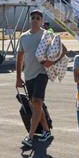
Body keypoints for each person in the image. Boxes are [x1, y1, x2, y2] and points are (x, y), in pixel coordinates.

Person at [16, 10, 54, 148]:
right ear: (30, 20)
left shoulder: (47, 35)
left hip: (42, 74)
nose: (35, 20)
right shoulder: (24, 37)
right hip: (29, 75)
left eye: (38, 18)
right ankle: (46, 131)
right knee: (35, 105)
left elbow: (62, 49)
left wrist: (52, 62)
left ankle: (30, 136)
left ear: (42, 21)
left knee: (37, 102)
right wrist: (18, 77)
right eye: (33, 17)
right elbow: (20, 57)